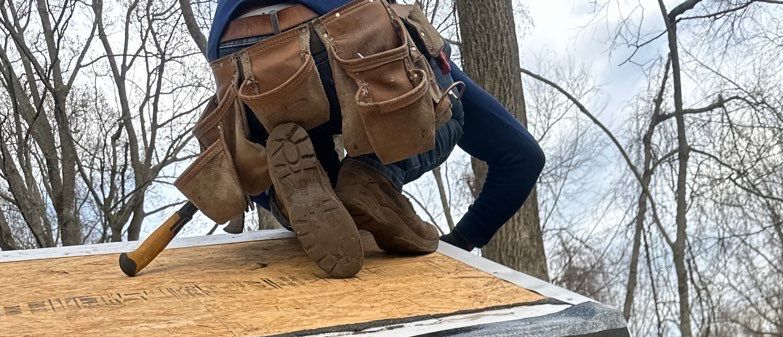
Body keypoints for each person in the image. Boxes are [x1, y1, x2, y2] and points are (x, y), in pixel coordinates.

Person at [204, 0, 546, 278]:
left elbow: (247, 169)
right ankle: (374, 174)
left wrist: (269, 194)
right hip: (335, 27)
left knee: (288, 155)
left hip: (235, 57)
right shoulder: (396, 32)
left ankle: (286, 198)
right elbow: (522, 157)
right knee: (448, 107)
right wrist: (459, 243)